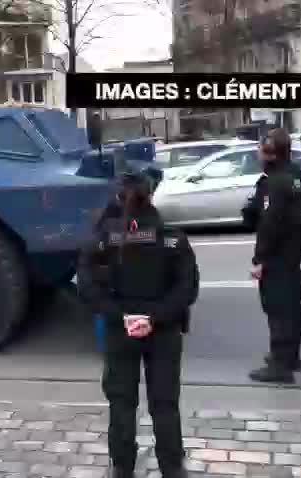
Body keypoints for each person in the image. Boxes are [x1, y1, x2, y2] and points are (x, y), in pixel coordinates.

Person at [77, 171, 198, 478]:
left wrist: (122, 316)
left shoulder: (105, 240)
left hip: (120, 331)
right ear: (151, 197)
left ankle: (122, 467)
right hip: (164, 331)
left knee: (121, 402)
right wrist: (153, 318)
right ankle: (172, 467)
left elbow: (87, 287)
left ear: (118, 199)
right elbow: (187, 289)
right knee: (165, 403)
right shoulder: (172, 238)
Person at [241, 129, 301, 384]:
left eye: (260, 150)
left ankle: (281, 366)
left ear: (269, 154)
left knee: (279, 308)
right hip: (292, 251)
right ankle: (290, 356)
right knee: (292, 305)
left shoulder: (276, 182)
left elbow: (271, 224)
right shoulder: (294, 175)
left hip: (278, 254)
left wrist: (259, 260)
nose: (258, 154)